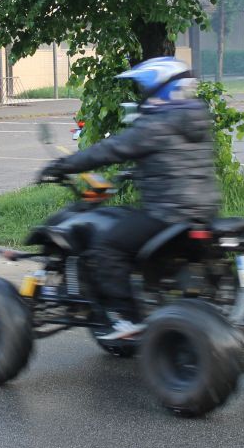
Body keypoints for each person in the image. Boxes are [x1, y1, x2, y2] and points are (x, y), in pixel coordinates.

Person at [38, 57, 220, 341]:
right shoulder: (197, 119)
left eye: (144, 89)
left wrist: (63, 165)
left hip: (167, 213)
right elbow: (177, 161)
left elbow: (110, 149)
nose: (142, 95)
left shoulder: (156, 124)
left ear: (157, 89)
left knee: (107, 246)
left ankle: (126, 317)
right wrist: (138, 172)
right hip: (204, 211)